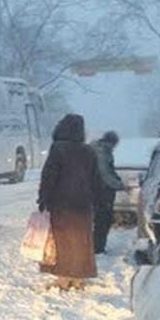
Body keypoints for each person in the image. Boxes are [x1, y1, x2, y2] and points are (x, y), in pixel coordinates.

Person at [37, 113, 98, 290]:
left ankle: (63, 277)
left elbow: (49, 175)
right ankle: (78, 277)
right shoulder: (89, 151)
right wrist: (97, 200)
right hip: (83, 204)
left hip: (61, 203)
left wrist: (43, 197)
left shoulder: (58, 148)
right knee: (81, 241)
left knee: (63, 241)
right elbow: (95, 178)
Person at [91, 130, 125, 254]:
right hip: (100, 191)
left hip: (98, 190)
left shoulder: (101, 150)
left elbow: (110, 171)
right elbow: (104, 173)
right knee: (103, 220)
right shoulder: (101, 153)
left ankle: (97, 246)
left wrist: (117, 179)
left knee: (101, 220)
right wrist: (119, 185)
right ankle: (97, 248)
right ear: (111, 142)